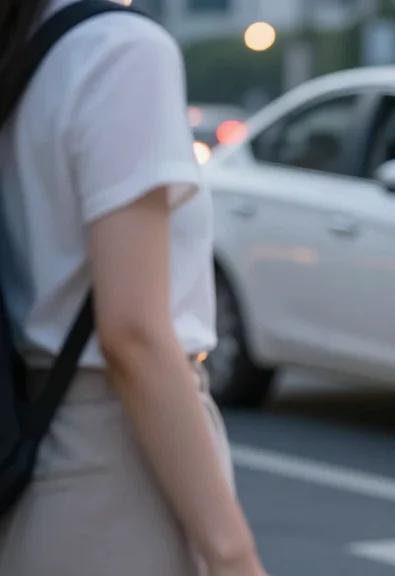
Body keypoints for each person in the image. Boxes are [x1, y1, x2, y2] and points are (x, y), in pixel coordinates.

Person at [0, 1, 266, 575]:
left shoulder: (28, 46)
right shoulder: (121, 51)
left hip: (36, 459)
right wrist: (235, 557)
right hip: (118, 467)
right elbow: (134, 336)